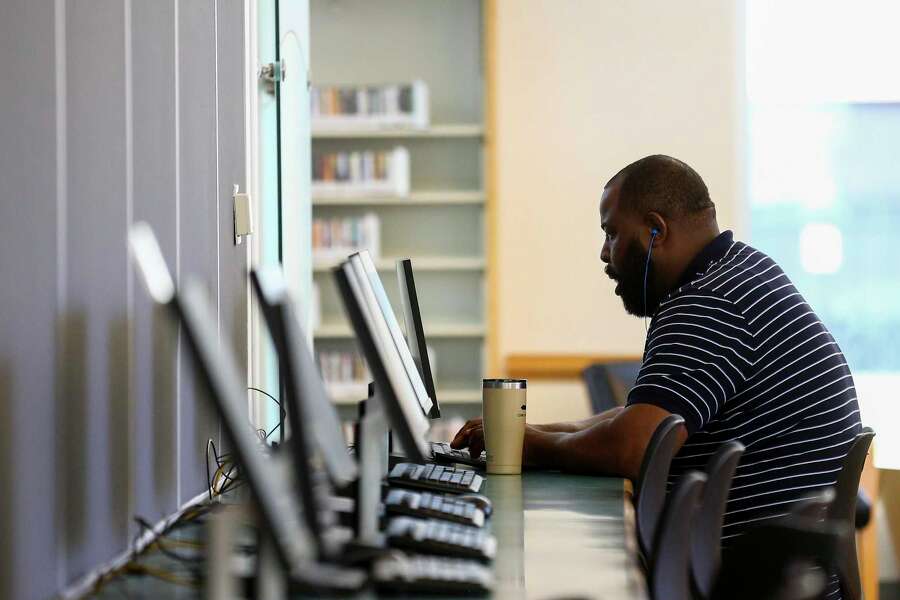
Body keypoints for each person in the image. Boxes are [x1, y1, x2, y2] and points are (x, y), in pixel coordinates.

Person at [452, 154, 862, 554]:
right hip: (774, 576)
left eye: (611, 233)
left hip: (738, 580)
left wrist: (529, 447)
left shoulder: (707, 301)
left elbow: (634, 446)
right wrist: (533, 432)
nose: (604, 253)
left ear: (655, 230)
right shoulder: (740, 272)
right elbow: (645, 417)